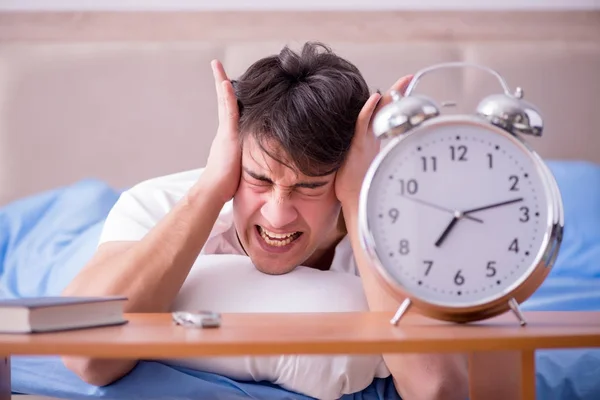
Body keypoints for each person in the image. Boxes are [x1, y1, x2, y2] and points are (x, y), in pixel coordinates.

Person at [61, 42, 468, 400]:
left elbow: (437, 390)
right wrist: (210, 189)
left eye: (310, 186)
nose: (277, 214)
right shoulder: (155, 203)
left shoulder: (399, 226)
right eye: (259, 178)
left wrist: (362, 201)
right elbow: (87, 359)